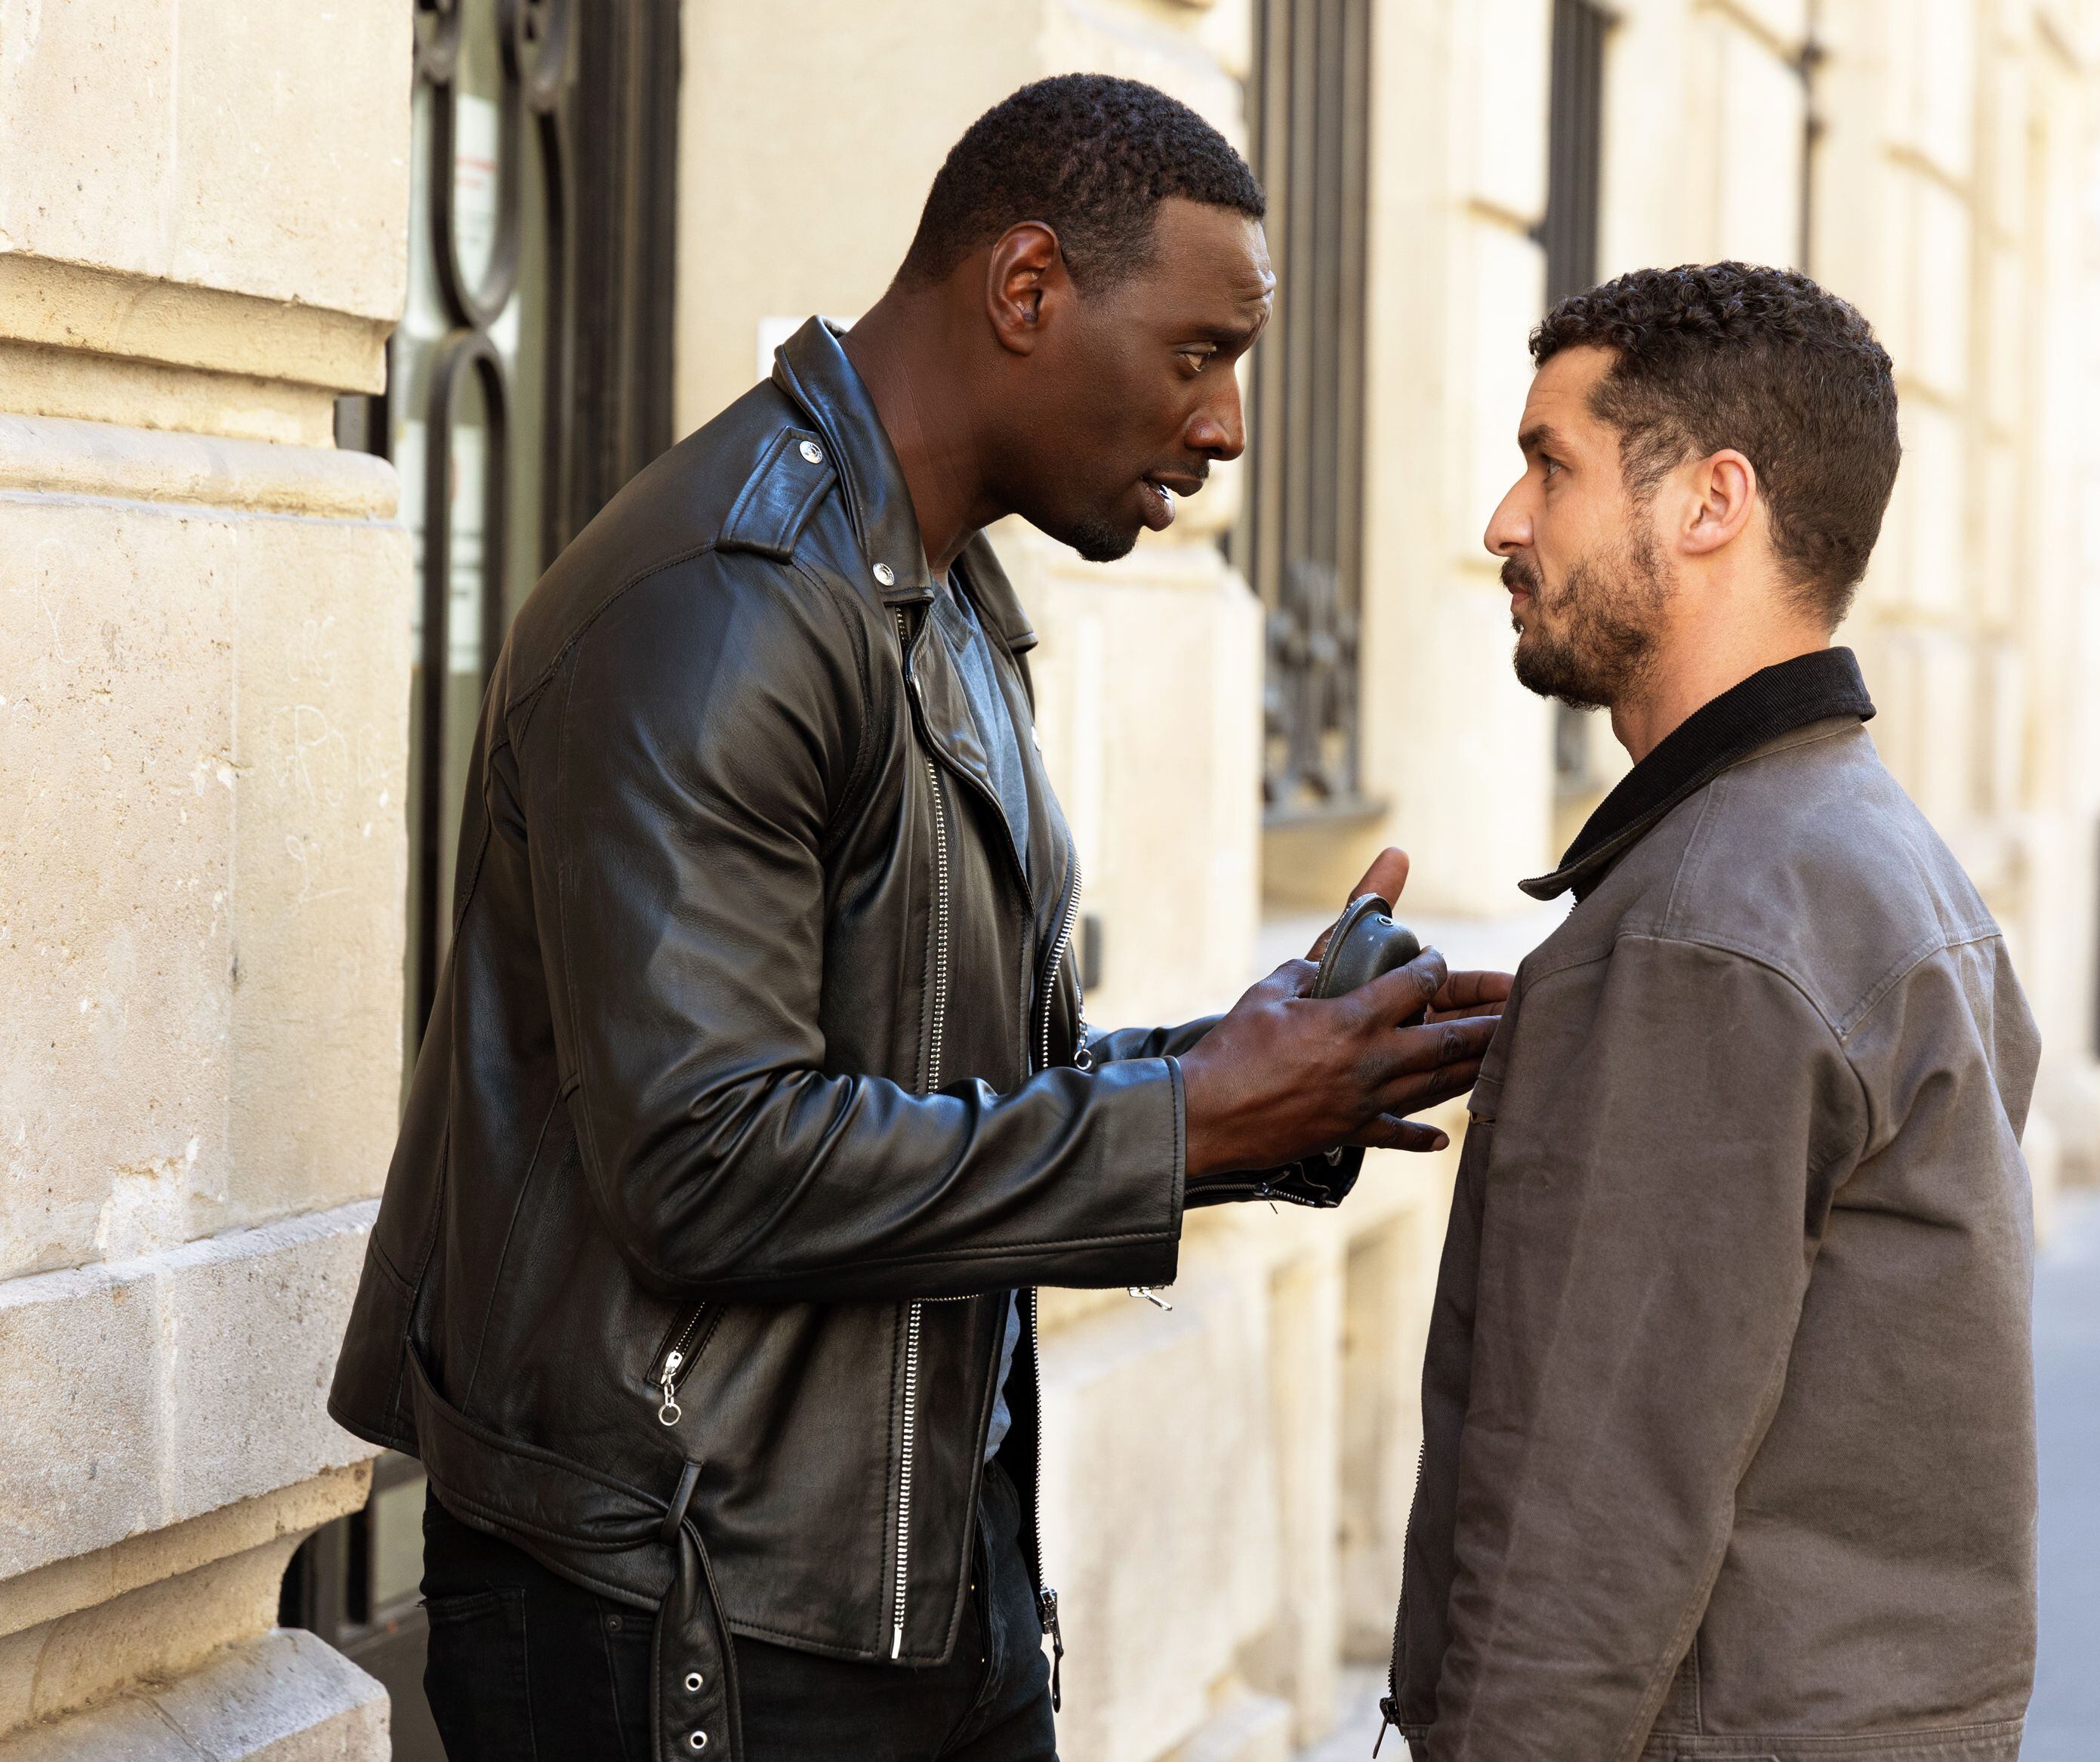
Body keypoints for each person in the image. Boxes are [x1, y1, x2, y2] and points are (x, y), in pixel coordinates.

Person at [328, 75, 1503, 1762]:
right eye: (1198, 353)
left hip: (917, 1588)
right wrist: (1184, 1121)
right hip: (685, 1608)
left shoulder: (941, 597)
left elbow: (940, 1088)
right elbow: (709, 1162)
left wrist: (1268, 1074)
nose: (1229, 426)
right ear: (1027, 289)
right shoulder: (727, 604)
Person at [1383, 264, 2042, 1761]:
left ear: (1709, 503)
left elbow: (1581, 1530)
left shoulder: (1707, 926)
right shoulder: (1869, 851)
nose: (1504, 521)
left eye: (1550, 465)